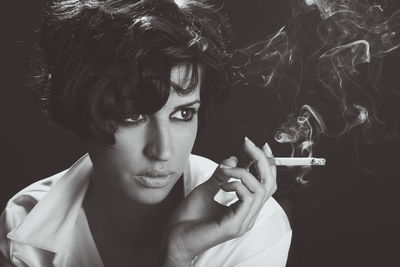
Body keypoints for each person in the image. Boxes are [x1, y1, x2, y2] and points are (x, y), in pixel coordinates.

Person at [0, 0, 292, 266]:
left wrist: (178, 252)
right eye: (132, 116)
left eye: (183, 114)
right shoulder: (23, 224)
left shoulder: (250, 225)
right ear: (80, 109)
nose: (163, 151)